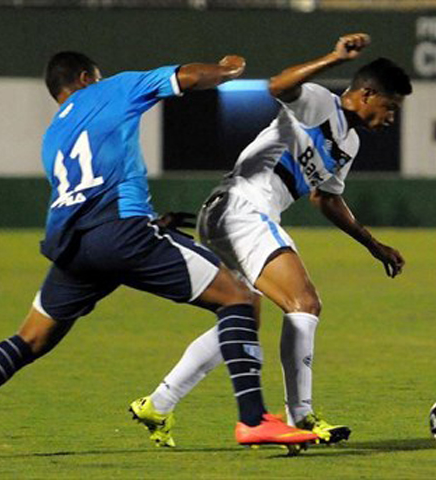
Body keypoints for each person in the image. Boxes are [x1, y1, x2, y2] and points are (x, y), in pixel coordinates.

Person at [0, 51, 319, 460]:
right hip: (122, 234)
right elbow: (188, 77)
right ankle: (252, 418)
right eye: (97, 76)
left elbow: (90, 187)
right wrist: (228, 71)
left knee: (27, 340)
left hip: (74, 248)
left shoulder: (53, 137)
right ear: (86, 77)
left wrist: (149, 219)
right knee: (238, 298)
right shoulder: (112, 88)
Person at [129, 33, 412, 448]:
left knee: (242, 316)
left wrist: (373, 245)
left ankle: (158, 403)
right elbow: (278, 86)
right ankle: (302, 415)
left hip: (233, 213)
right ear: (367, 95)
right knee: (305, 302)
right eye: (390, 107)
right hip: (244, 207)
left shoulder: (348, 143)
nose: (391, 118)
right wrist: (334, 57)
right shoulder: (320, 102)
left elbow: (326, 198)